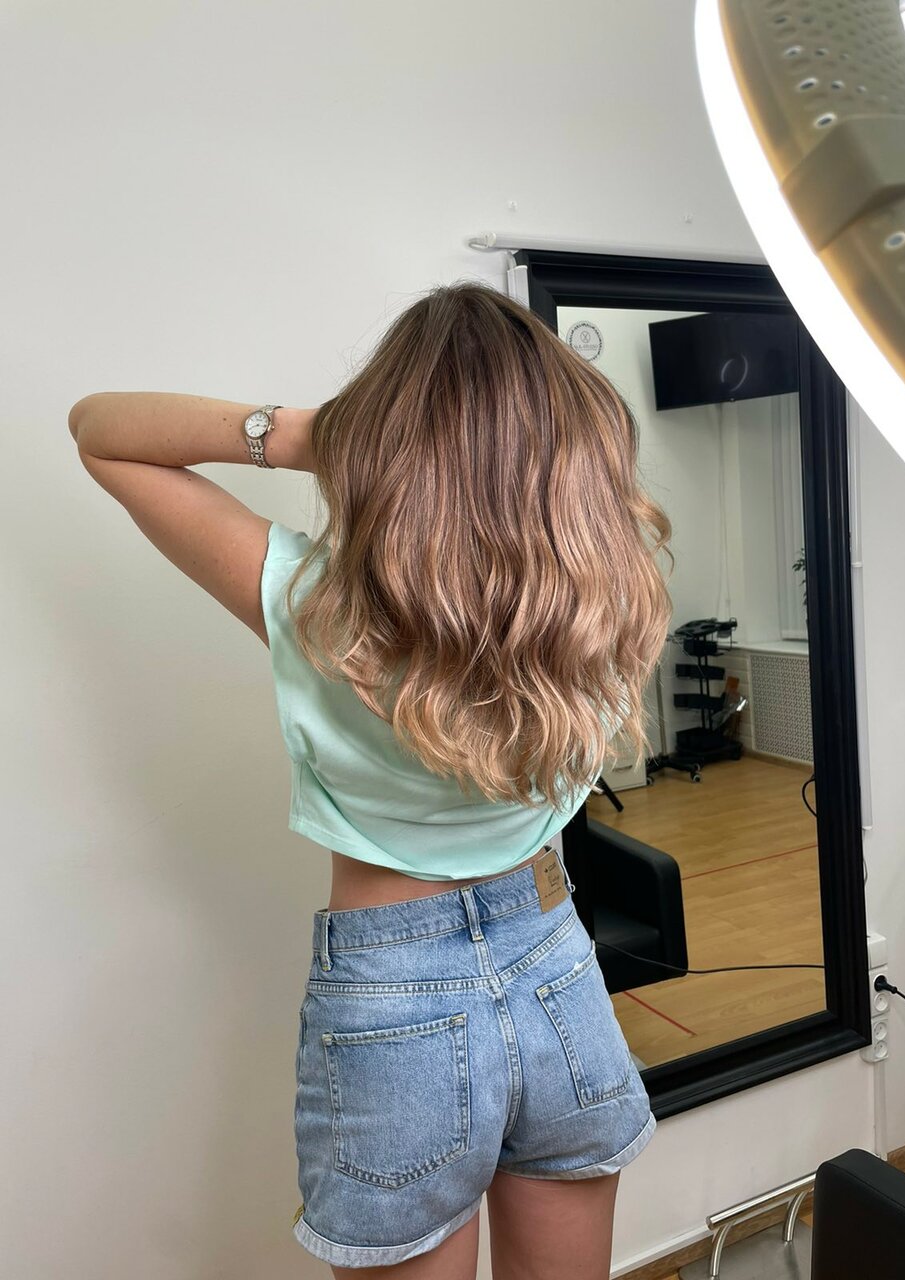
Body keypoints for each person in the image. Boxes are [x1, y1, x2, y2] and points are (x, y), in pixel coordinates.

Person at [69, 279, 674, 1280]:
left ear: (386, 444)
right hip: (557, 963)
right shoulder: (598, 604)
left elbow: (100, 432)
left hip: (395, 997)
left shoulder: (313, 607)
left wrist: (315, 435)